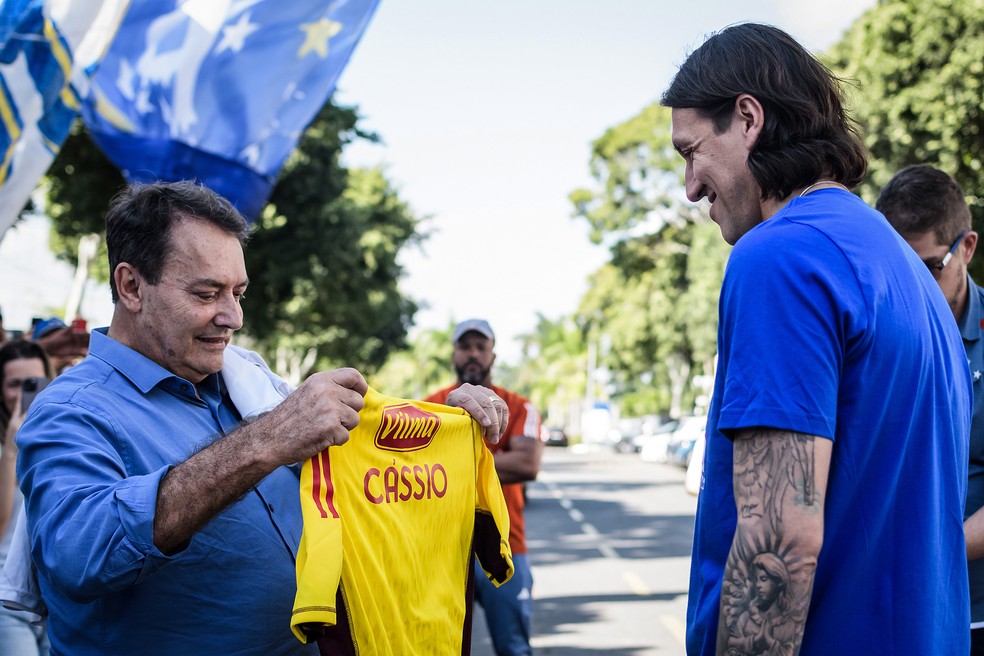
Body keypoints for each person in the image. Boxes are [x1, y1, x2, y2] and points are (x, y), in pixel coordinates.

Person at [14, 181, 508, 656]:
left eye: (238, 293)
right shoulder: (72, 410)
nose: (233, 317)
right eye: (207, 294)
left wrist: (439, 424)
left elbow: (365, 468)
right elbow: (78, 555)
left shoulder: (249, 382)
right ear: (131, 286)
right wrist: (263, 442)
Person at [661, 23, 971, 655]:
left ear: (748, 118)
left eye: (691, 152)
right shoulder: (911, 274)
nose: (690, 186)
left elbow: (780, 538)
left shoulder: (781, 257)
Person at [876, 164, 984, 653]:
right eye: (897, 269)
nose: (910, 288)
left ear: (966, 248)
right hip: (895, 606)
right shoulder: (880, 330)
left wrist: (929, 551)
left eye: (927, 268)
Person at [425, 319, 542, 656]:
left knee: (514, 649)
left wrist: (449, 461)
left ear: (493, 355)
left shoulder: (520, 407)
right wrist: (493, 458)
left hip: (508, 543)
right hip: (442, 548)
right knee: (435, 645)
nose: (473, 354)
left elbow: (527, 464)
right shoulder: (429, 406)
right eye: (465, 347)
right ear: (454, 353)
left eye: (481, 347)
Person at [0, 340, 52, 655]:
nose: (23, 395)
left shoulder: (59, 437)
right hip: (6, 596)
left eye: (34, 384)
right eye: (14, 384)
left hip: (53, 595)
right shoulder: (7, 448)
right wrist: (10, 450)